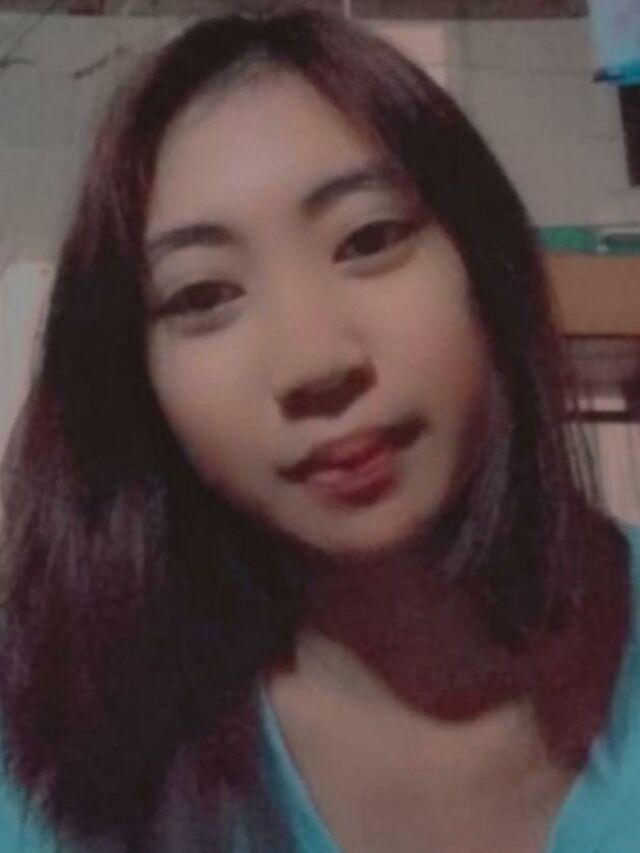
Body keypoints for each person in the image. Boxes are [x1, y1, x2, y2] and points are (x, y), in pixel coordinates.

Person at [0, 8, 638, 852]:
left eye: (370, 239)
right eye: (203, 295)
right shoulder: (52, 742)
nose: (313, 362)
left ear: (489, 264)